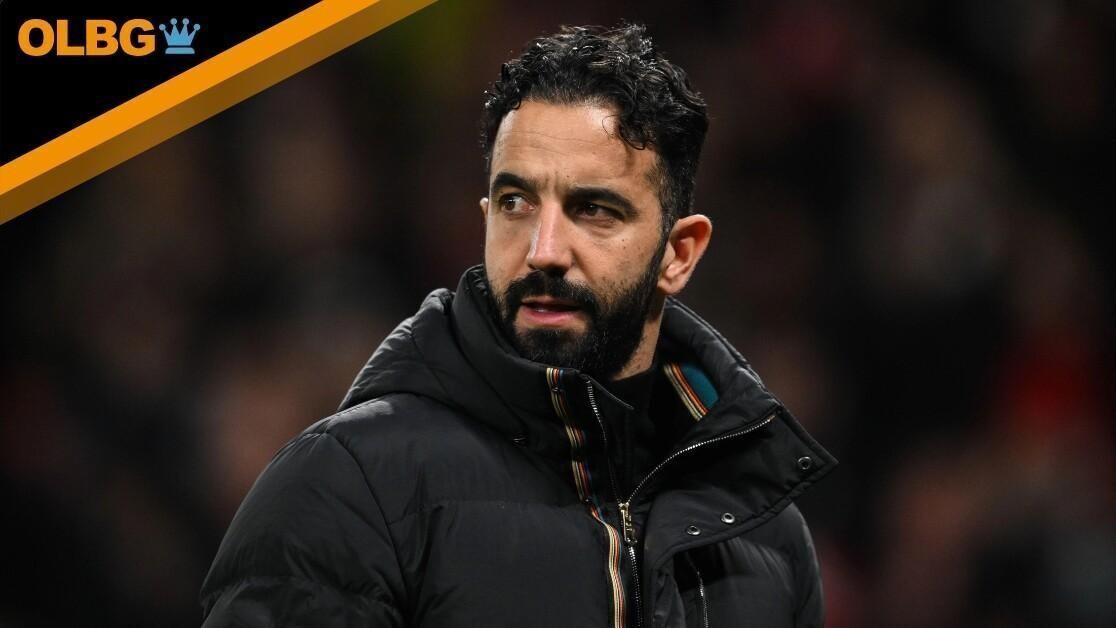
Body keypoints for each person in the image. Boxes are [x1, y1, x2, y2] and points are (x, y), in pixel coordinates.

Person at [200, 23, 836, 628]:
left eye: (593, 209)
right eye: (516, 203)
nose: (543, 249)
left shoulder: (766, 539)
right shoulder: (345, 491)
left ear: (678, 254)